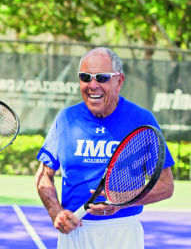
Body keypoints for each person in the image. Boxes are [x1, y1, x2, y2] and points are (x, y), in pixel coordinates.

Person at [35, 47, 174, 249]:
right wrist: (55, 211)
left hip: (123, 233)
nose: (93, 85)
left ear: (119, 81)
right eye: (85, 77)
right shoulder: (66, 119)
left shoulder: (142, 120)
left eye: (102, 77)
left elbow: (166, 186)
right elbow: (43, 175)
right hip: (74, 233)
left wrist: (123, 201)